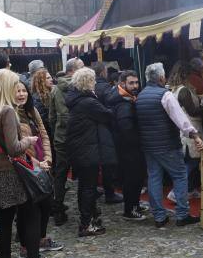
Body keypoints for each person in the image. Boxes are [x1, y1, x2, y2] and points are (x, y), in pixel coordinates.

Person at [0, 69, 59, 258]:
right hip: (13, 172)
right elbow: (13, 148)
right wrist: (29, 140)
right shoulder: (7, 111)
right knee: (30, 218)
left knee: (5, 220)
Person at [136, 63, 203, 228]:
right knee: (180, 176)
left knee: (154, 178)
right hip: (167, 144)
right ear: (161, 77)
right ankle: (182, 214)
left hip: (149, 145)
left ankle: (159, 217)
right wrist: (194, 135)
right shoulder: (165, 95)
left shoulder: (141, 95)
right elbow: (180, 118)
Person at [63, 67, 115, 236]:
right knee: (88, 188)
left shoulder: (77, 99)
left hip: (79, 148)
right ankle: (86, 224)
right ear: (88, 82)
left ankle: (90, 217)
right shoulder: (88, 102)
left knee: (85, 186)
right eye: (92, 80)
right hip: (87, 149)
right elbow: (107, 115)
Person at [14, 81, 62, 255]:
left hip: (42, 164)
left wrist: (48, 158)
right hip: (25, 166)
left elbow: (43, 134)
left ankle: (40, 238)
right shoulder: (10, 115)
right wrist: (35, 162)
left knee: (46, 203)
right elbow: (15, 147)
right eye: (17, 91)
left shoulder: (32, 111)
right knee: (27, 208)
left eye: (23, 90)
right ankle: (26, 246)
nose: (21, 94)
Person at [107, 70, 147, 221]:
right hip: (129, 148)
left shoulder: (125, 98)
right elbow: (126, 129)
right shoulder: (123, 102)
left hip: (126, 146)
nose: (135, 85)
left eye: (136, 82)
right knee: (133, 178)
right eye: (131, 83)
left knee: (134, 178)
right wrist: (137, 143)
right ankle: (130, 209)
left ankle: (133, 205)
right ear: (122, 83)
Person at [50, 57, 83, 226]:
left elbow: (52, 116)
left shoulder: (55, 89)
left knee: (61, 173)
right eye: (81, 67)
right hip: (79, 136)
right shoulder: (81, 86)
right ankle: (86, 208)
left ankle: (58, 208)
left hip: (61, 136)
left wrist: (55, 133)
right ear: (73, 70)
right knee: (84, 173)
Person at [167, 62, 203, 202]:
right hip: (190, 129)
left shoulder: (174, 89)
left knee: (188, 161)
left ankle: (190, 189)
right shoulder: (183, 90)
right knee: (192, 162)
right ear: (185, 75)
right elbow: (193, 111)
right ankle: (176, 192)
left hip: (181, 130)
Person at [92, 62, 122, 204]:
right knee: (108, 162)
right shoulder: (106, 88)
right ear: (103, 72)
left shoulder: (92, 87)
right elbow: (112, 104)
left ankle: (97, 189)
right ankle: (109, 193)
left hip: (94, 127)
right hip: (106, 127)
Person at [30, 68, 54, 141]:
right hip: (47, 134)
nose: (51, 79)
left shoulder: (50, 93)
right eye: (48, 78)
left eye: (50, 77)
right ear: (41, 81)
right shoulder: (37, 98)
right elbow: (42, 120)